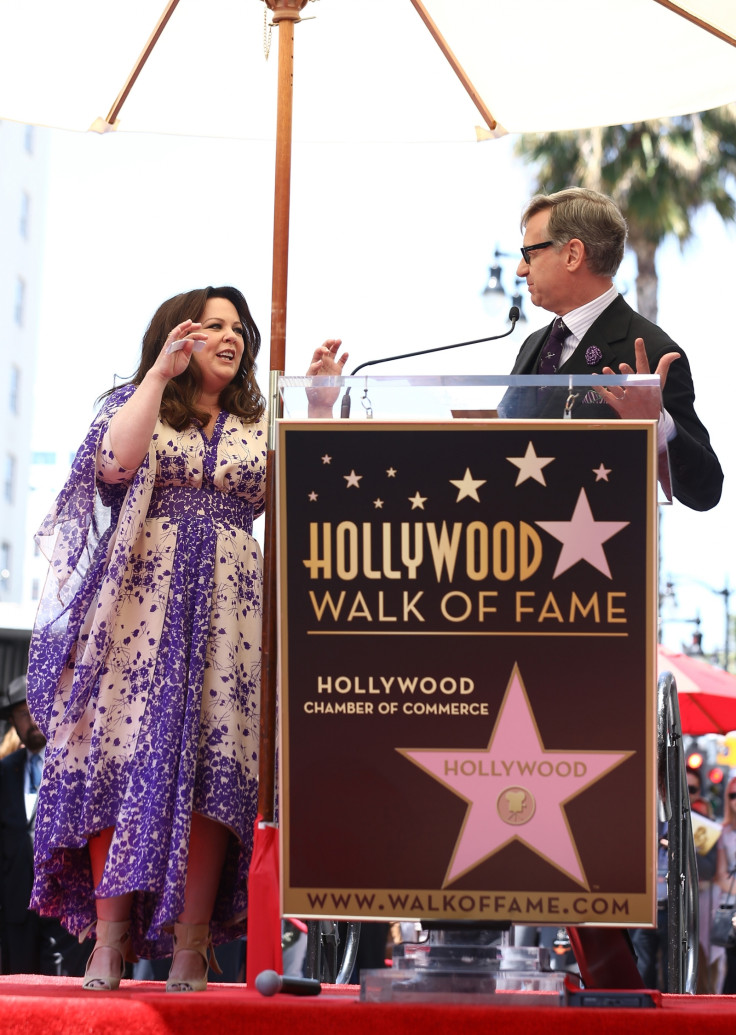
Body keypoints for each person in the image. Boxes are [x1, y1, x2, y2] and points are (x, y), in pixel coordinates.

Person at [26, 285, 346, 992]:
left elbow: (306, 503)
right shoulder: (137, 402)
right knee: (119, 767)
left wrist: (318, 411)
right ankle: (107, 943)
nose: (232, 336)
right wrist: (159, 376)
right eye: (215, 325)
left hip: (230, 620)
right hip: (136, 616)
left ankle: (191, 948)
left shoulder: (255, 424)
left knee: (212, 778)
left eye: (240, 328)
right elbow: (112, 465)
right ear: (178, 334)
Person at [504, 187, 722, 513]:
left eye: (529, 254)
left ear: (573, 254)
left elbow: (706, 489)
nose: (521, 270)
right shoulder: (534, 344)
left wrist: (658, 425)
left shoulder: (651, 350)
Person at [0, 675, 91, 976]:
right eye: (22, 714)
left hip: (65, 905)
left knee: (62, 991)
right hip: (15, 910)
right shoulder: (4, 772)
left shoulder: (75, 764)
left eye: (36, 709)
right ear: (12, 721)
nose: (31, 720)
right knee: (18, 994)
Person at [714, 775, 736, 994]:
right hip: (731, 906)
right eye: (733, 795)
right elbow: (719, 875)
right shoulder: (723, 833)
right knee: (731, 965)